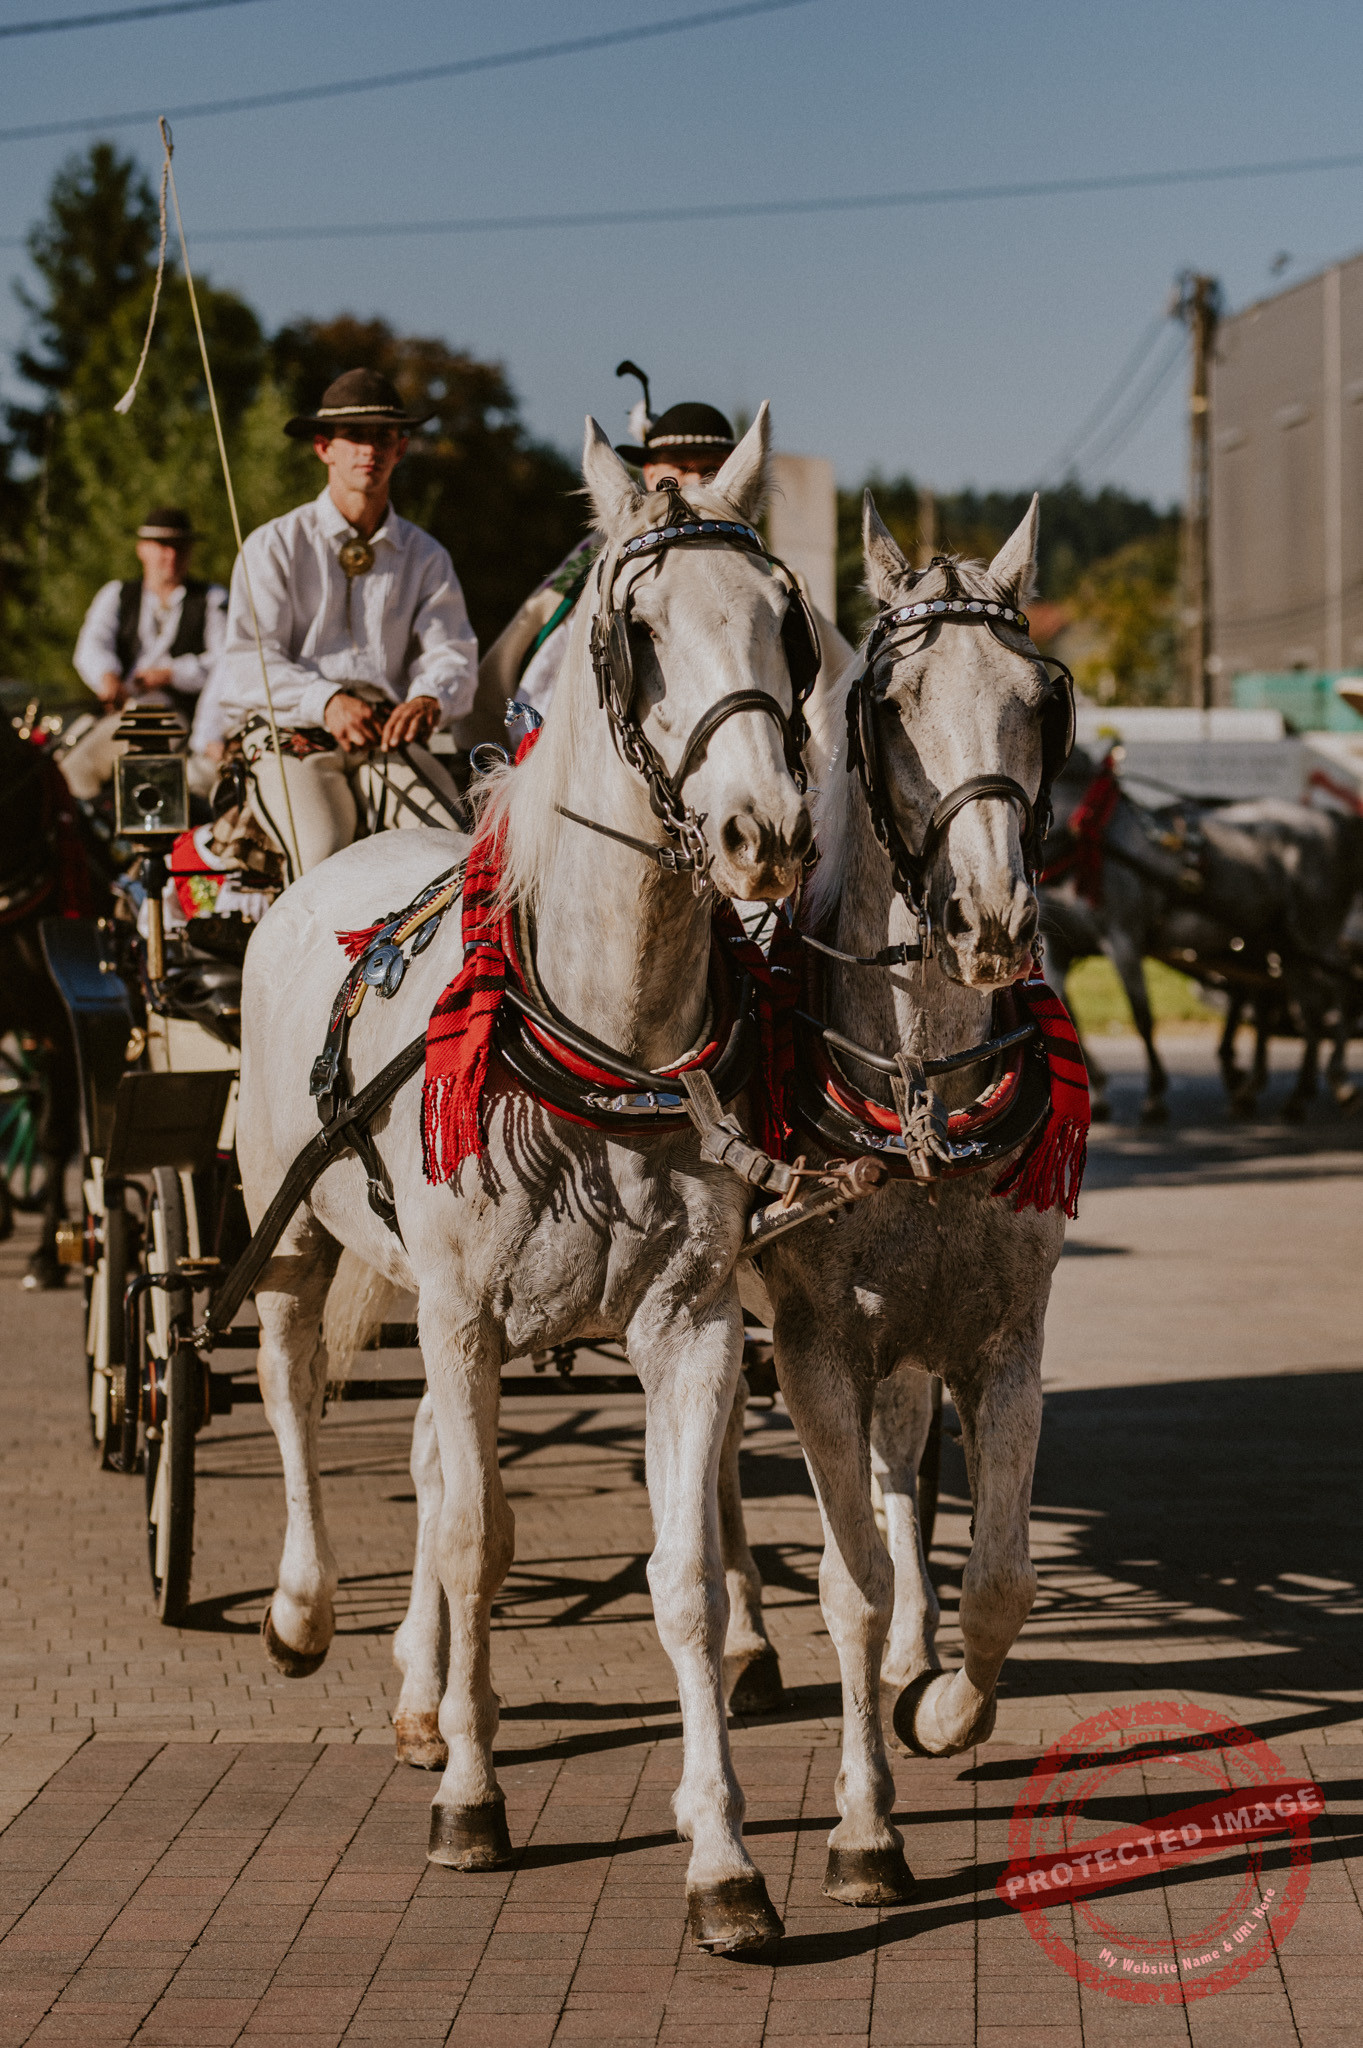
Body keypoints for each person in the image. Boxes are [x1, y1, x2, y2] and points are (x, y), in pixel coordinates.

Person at [206, 367, 477, 874]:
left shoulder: (427, 556)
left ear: (401, 448)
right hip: (293, 733)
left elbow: (452, 651)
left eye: (383, 436)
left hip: (387, 737)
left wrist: (429, 697)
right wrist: (325, 701)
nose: (368, 450)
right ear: (323, 448)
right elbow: (249, 661)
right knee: (323, 854)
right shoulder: (273, 545)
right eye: (354, 436)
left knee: (450, 856)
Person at [468, 398, 741, 740]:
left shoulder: (751, 568)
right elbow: (551, 675)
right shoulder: (603, 557)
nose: (698, 481)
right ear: (651, 473)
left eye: (713, 469)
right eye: (683, 467)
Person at [65, 507, 226, 800]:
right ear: (142, 549)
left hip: (180, 716)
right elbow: (91, 644)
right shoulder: (117, 594)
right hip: (124, 713)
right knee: (74, 770)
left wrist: (172, 674)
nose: (171, 556)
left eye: (180, 548)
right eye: (163, 547)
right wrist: (107, 677)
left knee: (143, 758)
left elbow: (226, 660)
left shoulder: (212, 599)